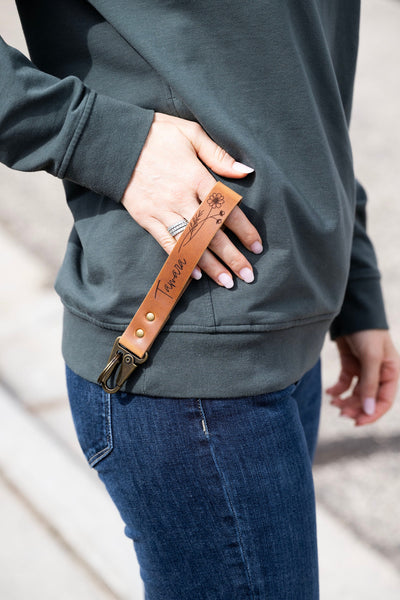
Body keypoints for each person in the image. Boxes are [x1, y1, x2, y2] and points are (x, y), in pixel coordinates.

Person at [1, 1, 399, 598]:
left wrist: (355, 279)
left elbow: (303, 75)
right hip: (185, 351)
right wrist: (100, 139)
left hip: (290, 329)